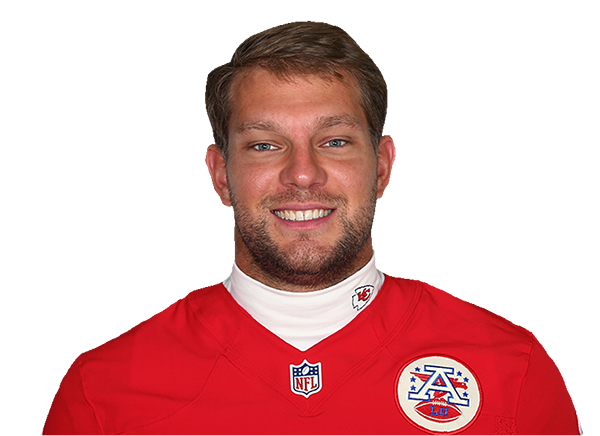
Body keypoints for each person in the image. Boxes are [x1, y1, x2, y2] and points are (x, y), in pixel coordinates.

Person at [44, 22, 579, 435]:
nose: (302, 173)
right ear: (221, 174)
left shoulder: (511, 372)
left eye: (335, 141)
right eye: (264, 145)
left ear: (381, 164)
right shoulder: (104, 392)